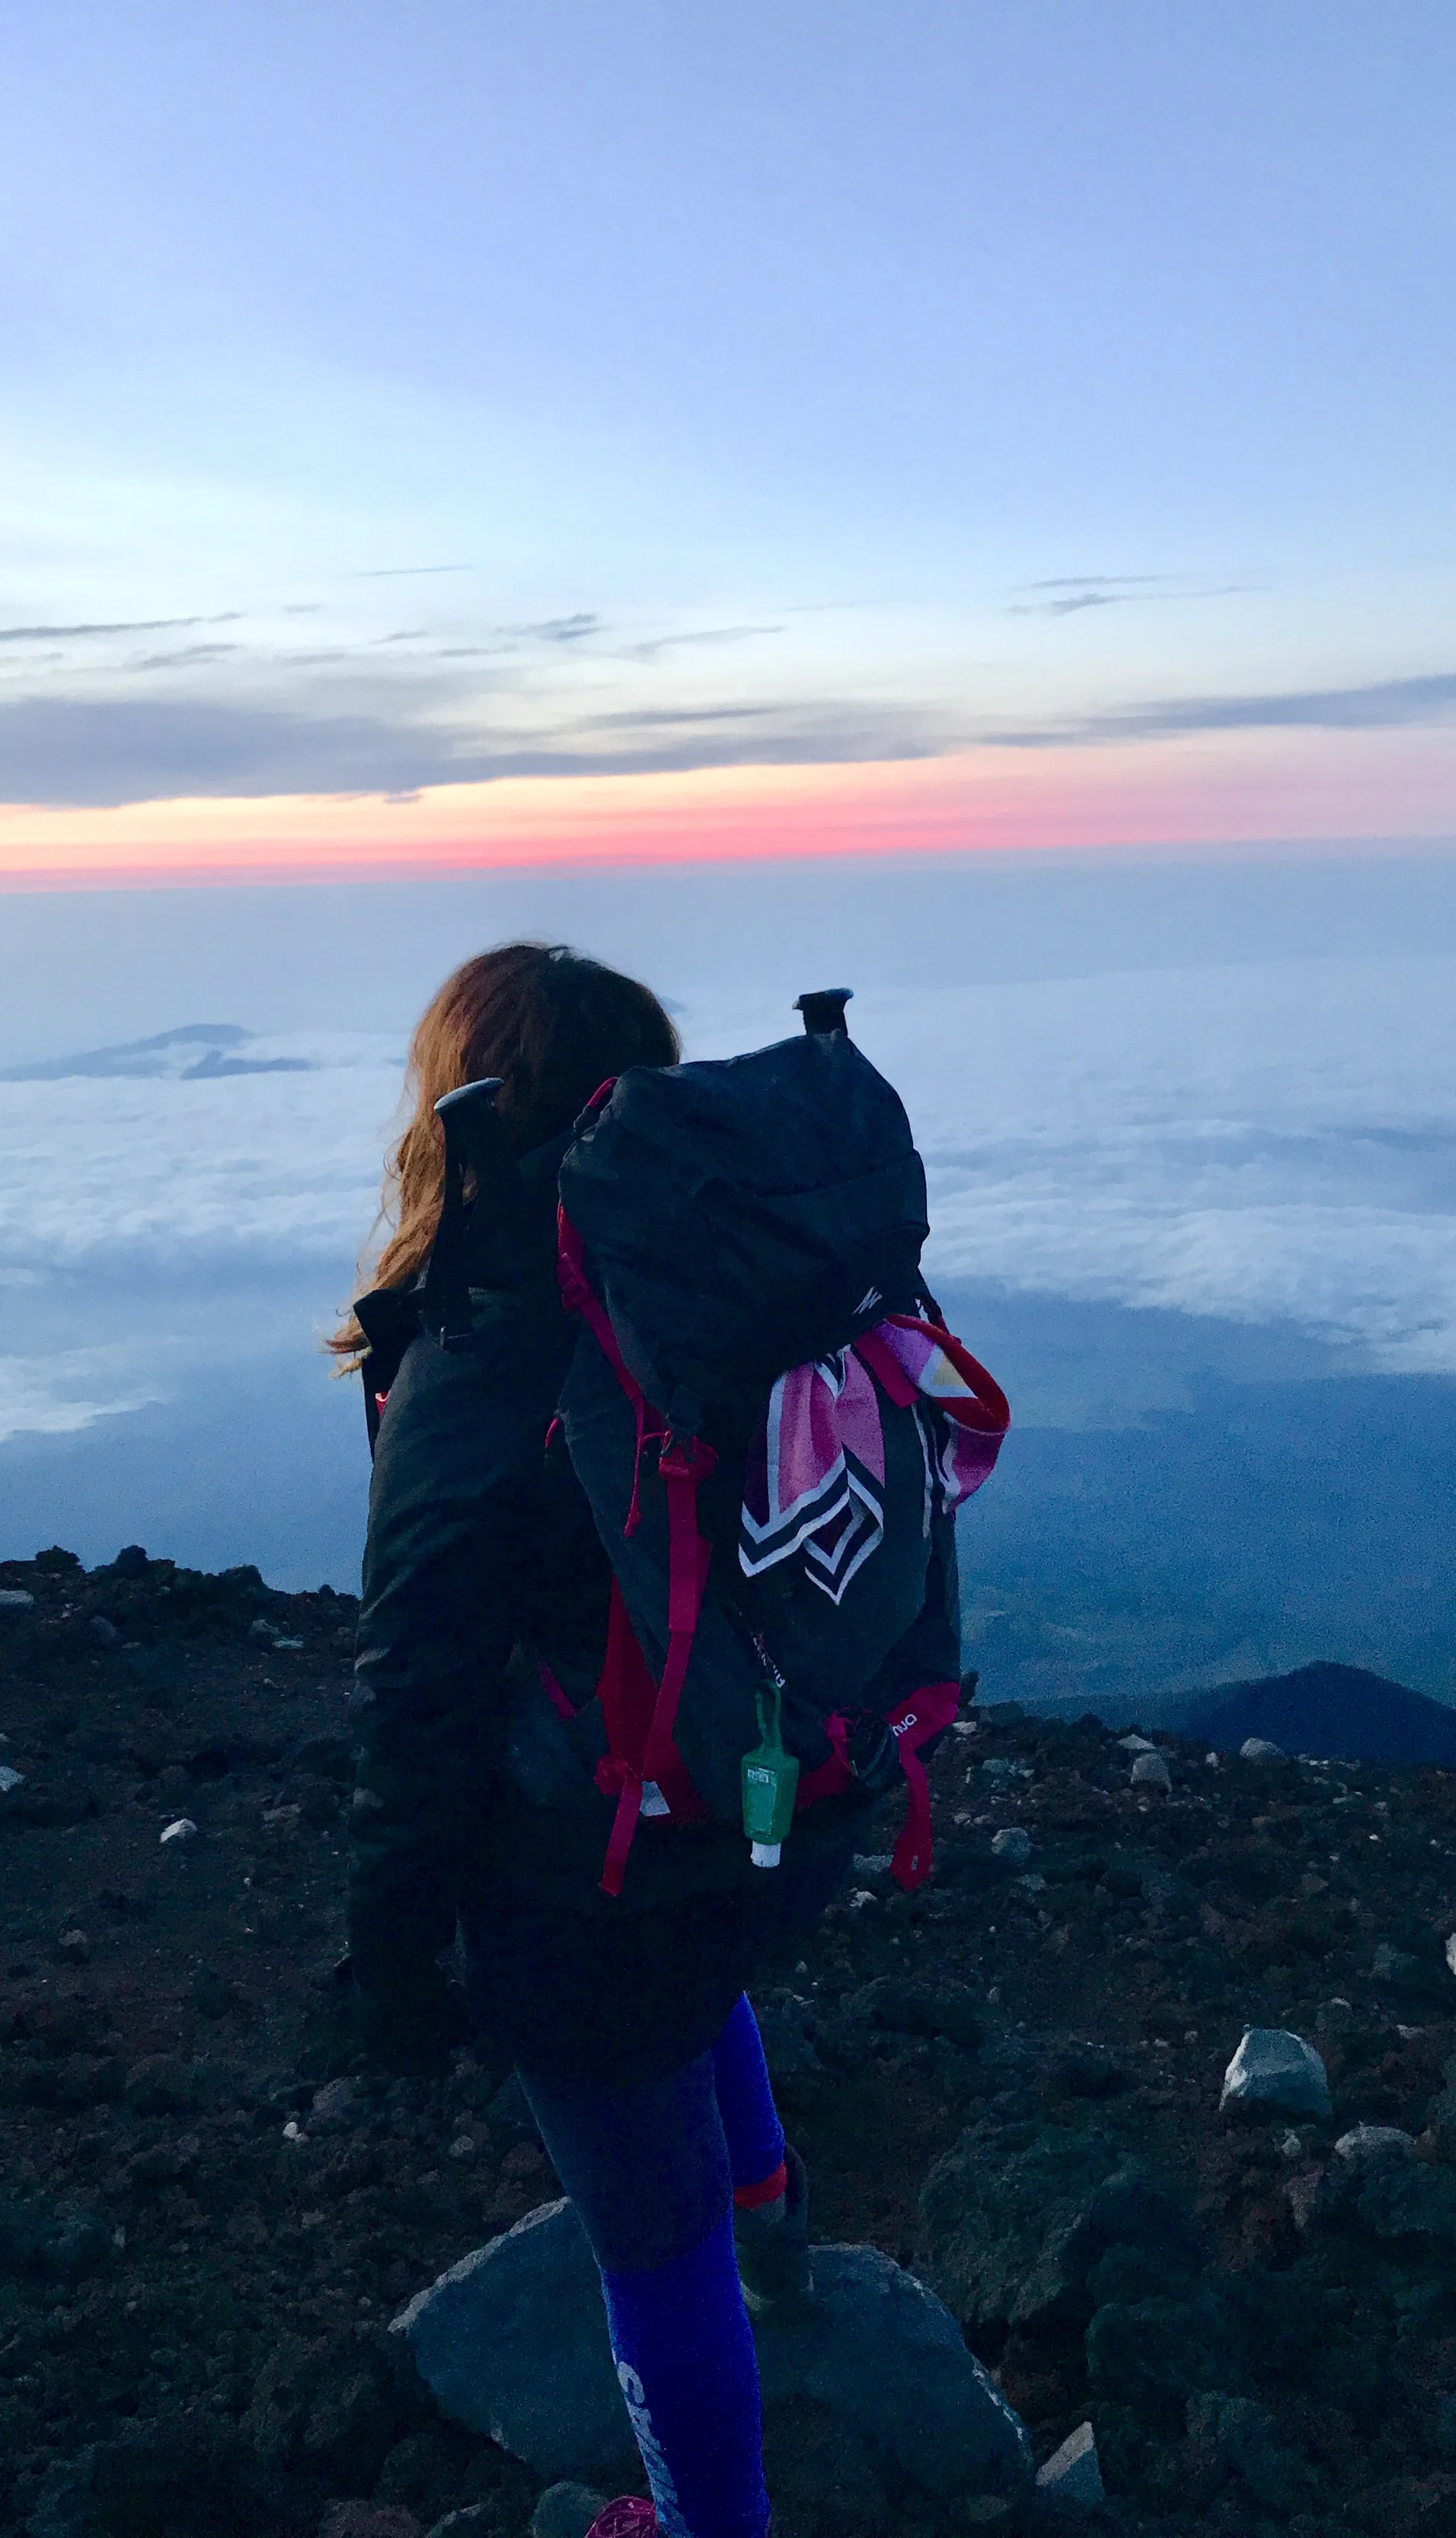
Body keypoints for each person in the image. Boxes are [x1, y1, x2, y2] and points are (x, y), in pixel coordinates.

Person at [334, 943, 963, 2538]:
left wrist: (390, 1963)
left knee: (645, 2248)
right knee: (696, 1971)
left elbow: (416, 1683)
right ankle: (775, 2219)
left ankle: (706, 2522)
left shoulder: (485, 1347)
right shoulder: (737, 1282)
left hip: (591, 1885)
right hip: (784, 1810)